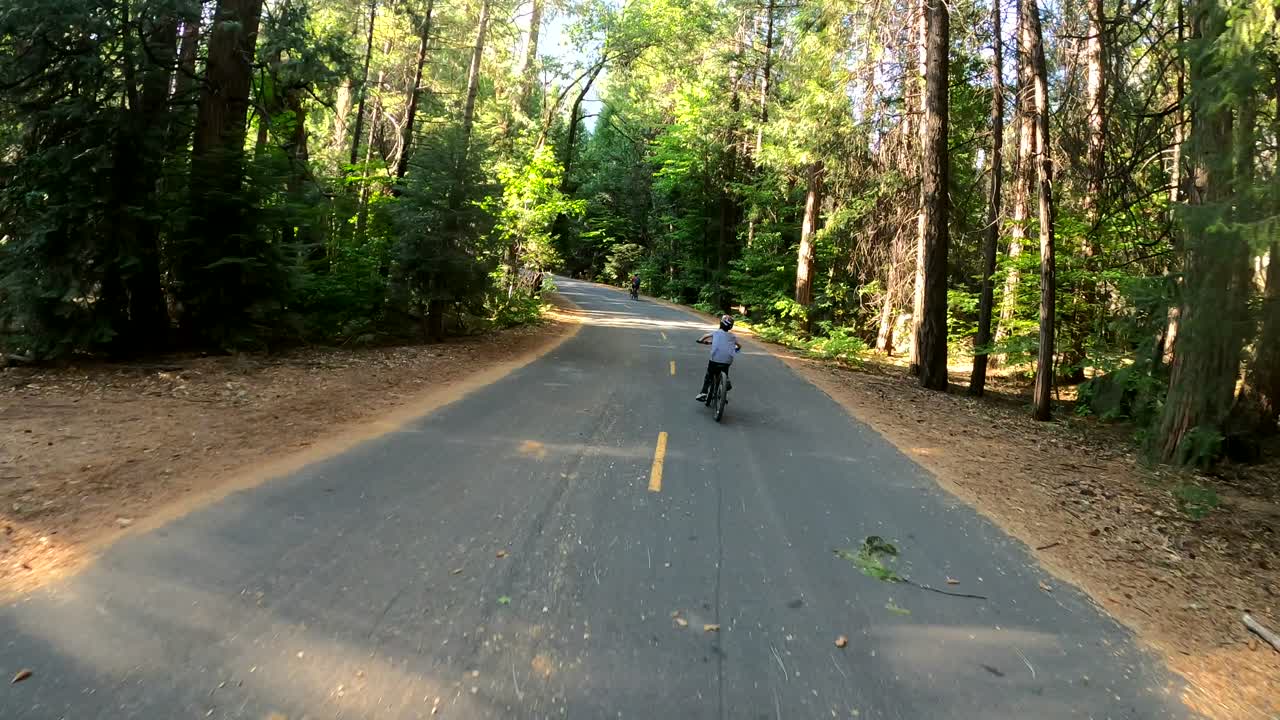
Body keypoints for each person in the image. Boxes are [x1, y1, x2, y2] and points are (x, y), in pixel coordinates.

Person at [695, 315, 741, 402]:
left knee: (709, 375)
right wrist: (736, 349)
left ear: (720, 323)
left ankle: (703, 393)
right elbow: (739, 346)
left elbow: (705, 336)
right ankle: (725, 380)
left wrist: (701, 340)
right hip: (727, 360)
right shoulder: (733, 336)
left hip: (715, 360)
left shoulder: (716, 333)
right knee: (725, 369)